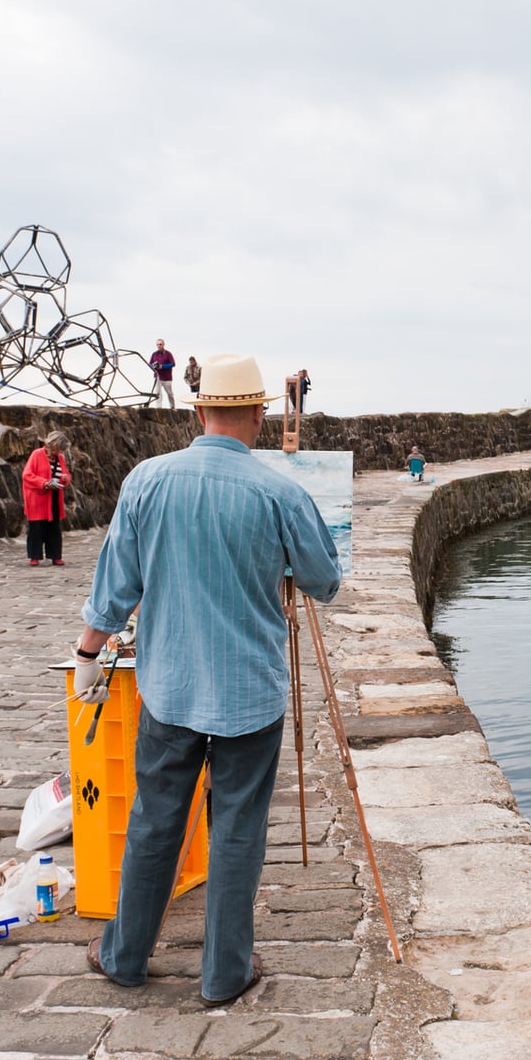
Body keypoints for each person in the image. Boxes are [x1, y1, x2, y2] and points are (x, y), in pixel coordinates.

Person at [71, 353, 341, 1006]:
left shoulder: (147, 480)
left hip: (170, 684)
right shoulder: (281, 491)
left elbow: (116, 586)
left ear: (199, 411)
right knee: (239, 827)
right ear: (258, 413)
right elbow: (324, 581)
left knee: (154, 822)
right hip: (250, 692)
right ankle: (224, 973)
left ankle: (125, 955)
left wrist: (87, 655)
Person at [20, 432, 71, 566]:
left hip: (54, 497)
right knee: (37, 528)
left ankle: (55, 556)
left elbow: (65, 474)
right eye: (58, 449)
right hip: (37, 499)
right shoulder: (37, 454)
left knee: (54, 528)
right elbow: (27, 475)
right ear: (52, 445)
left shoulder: (60, 458)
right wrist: (44, 483)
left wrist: (65, 479)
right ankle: (34, 557)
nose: (59, 452)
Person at [146, 341, 177, 408]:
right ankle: (159, 407)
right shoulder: (154, 354)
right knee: (158, 393)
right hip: (157, 377)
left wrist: (162, 366)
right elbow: (149, 364)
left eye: (160, 344)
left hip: (167, 378)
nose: (159, 346)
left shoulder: (168, 354)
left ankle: (172, 407)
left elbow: (173, 364)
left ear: (163, 345)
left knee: (170, 393)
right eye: (157, 345)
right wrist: (154, 366)